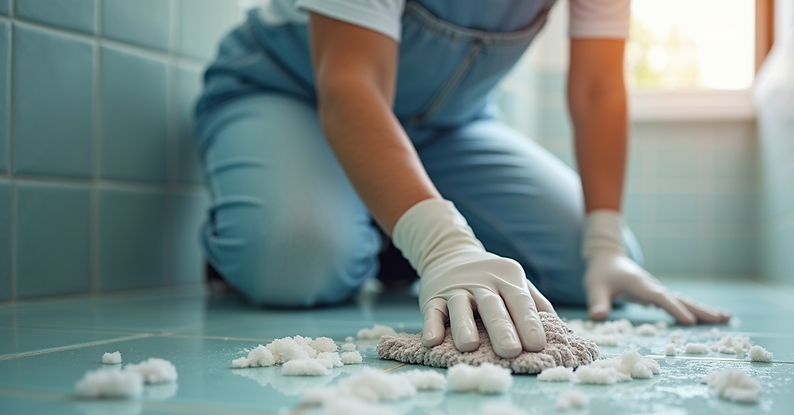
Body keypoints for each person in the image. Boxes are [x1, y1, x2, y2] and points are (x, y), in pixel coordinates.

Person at [195, 0, 730, 360]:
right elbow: (349, 81)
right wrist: (441, 245)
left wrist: (606, 240)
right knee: (300, 259)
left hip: (448, 127)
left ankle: (383, 226)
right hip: (295, 96)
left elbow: (598, 87)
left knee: (585, 264)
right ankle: (354, 224)